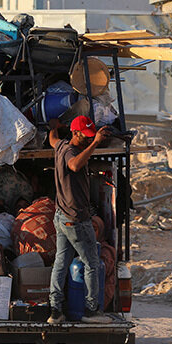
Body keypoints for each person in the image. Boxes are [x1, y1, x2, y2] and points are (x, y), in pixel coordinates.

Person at [47, 116, 112, 324]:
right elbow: (74, 165)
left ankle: (55, 311)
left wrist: (54, 126)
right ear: (76, 133)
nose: (89, 139)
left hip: (61, 216)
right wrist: (95, 144)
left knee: (61, 262)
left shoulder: (60, 145)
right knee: (92, 263)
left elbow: (52, 138)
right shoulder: (70, 152)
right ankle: (92, 311)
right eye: (86, 136)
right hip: (75, 219)